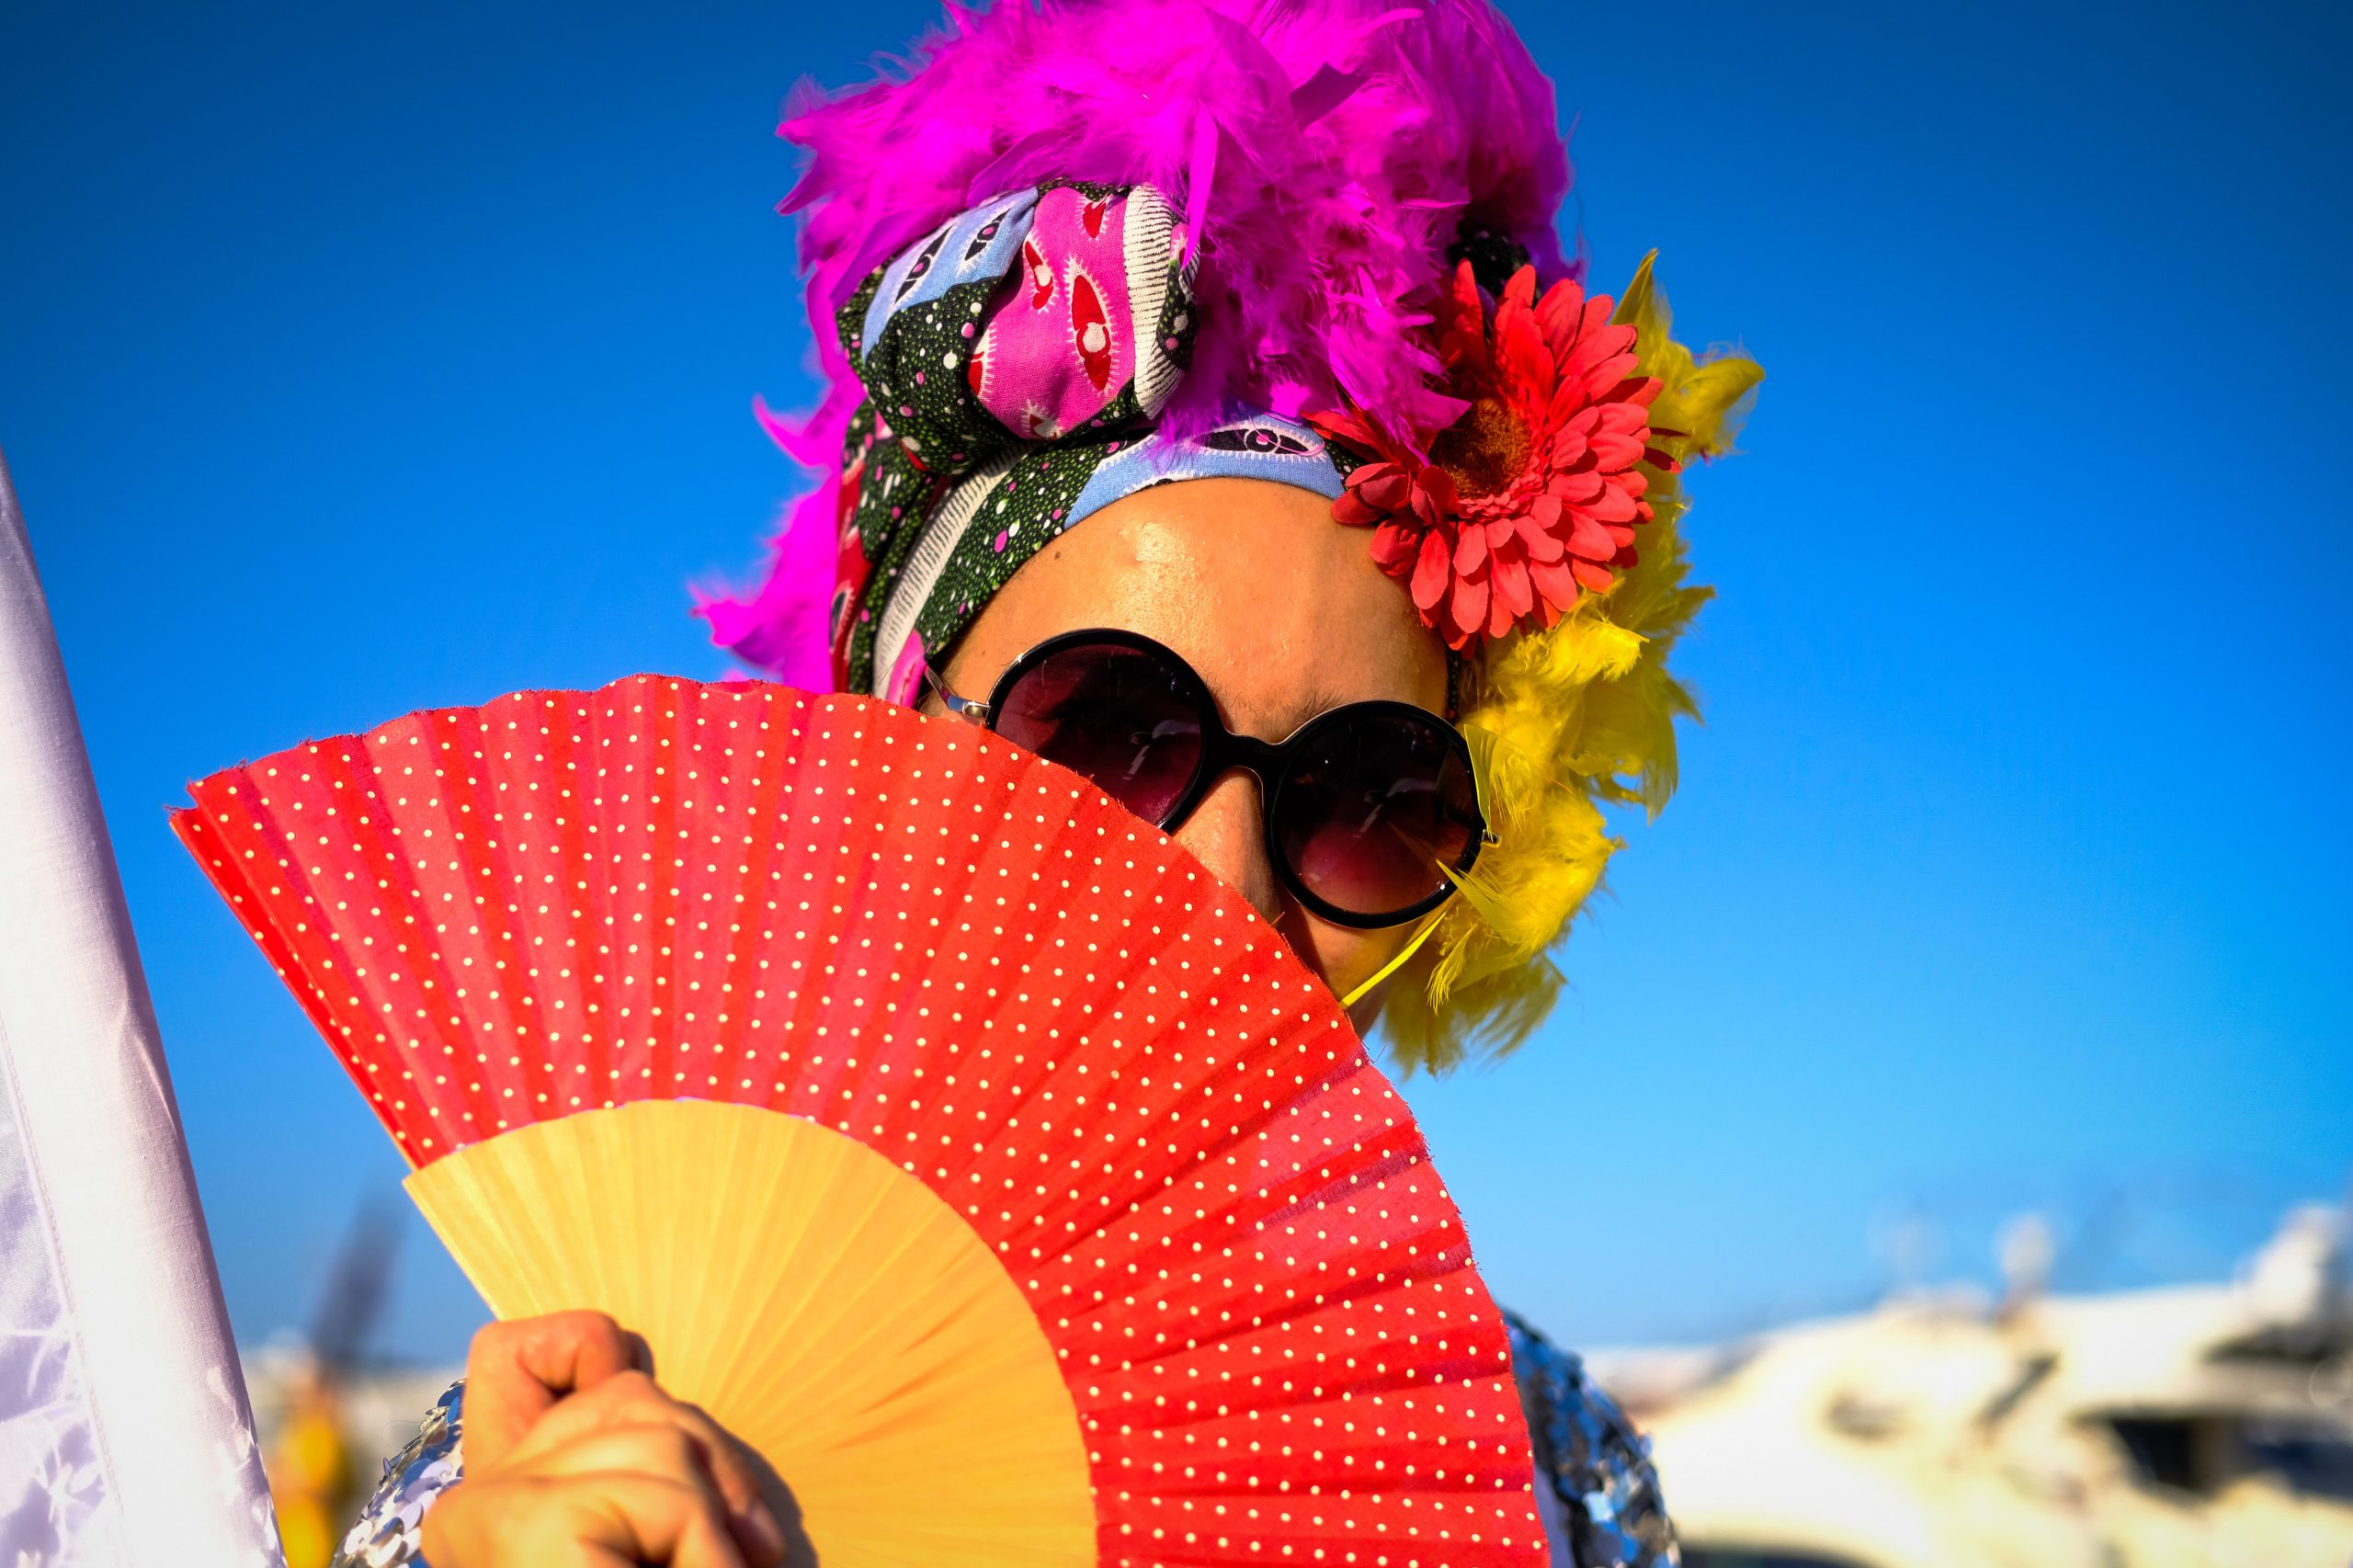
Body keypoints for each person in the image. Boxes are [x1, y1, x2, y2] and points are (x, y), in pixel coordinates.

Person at [333, 1, 1758, 1562]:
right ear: (898, 752)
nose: (1224, 893)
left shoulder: (1538, 1462)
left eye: (1370, 791)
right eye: (1110, 731)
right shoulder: (603, 1434)